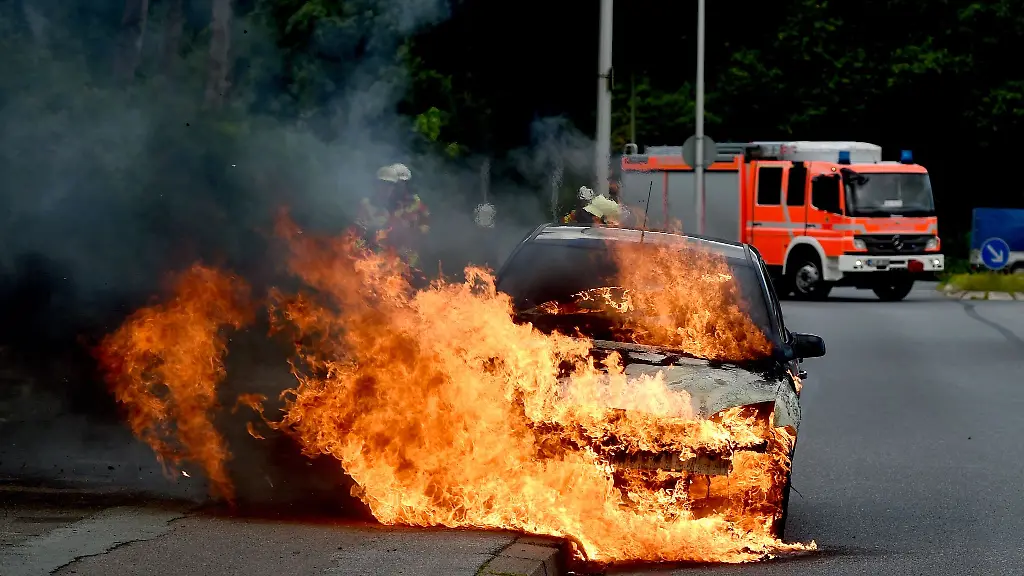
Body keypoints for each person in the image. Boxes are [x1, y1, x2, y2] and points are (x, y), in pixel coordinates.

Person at [357, 163, 431, 270]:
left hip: (405, 257)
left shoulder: (414, 204)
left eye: (401, 184)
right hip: (380, 257)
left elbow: (423, 228)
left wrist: (412, 230)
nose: (396, 188)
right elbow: (361, 231)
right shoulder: (378, 204)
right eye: (394, 185)